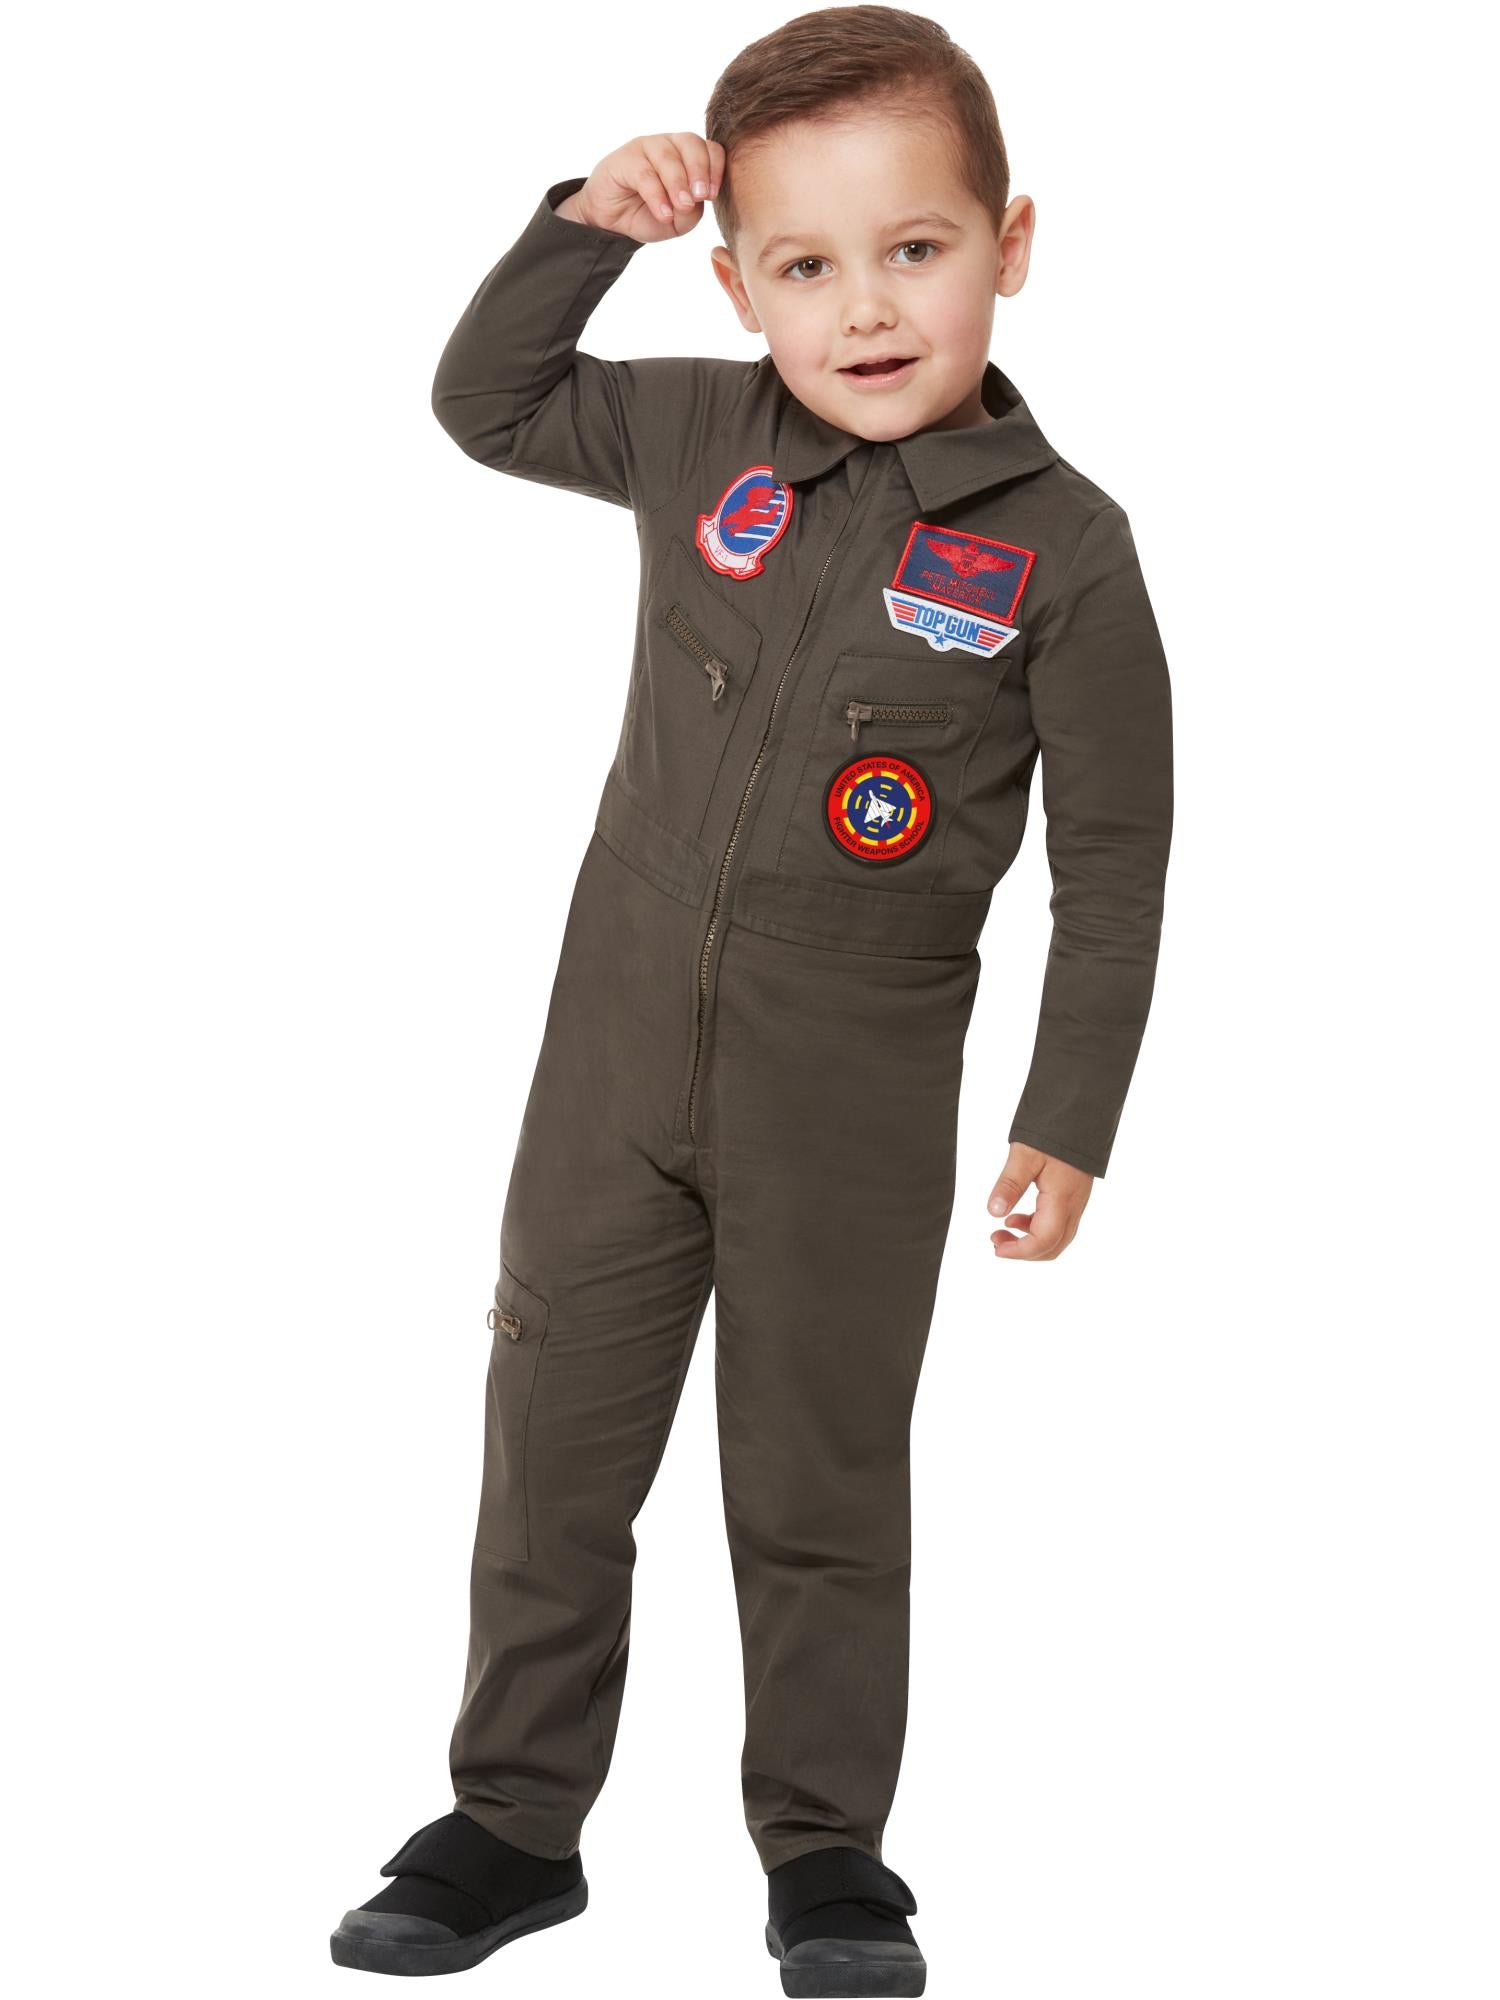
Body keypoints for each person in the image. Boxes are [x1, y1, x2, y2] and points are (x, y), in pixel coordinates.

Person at [330, 7, 1173, 1992]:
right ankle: (509, 1822)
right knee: (554, 1448)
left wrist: (1068, 1116)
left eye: (915, 248)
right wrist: (581, 226)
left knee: (820, 1488)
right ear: (736, 285)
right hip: (612, 1072)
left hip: (848, 1115)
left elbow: (1116, 864)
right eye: (803, 264)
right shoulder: (698, 433)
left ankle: (827, 1850)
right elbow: (484, 401)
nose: (862, 308)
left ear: (1010, 244)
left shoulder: (1068, 549)